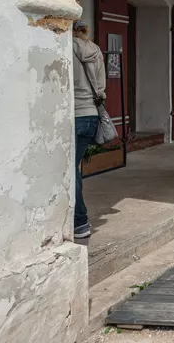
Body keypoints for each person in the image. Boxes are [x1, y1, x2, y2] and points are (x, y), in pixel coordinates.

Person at [72, 20, 106, 240]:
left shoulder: (66, 47)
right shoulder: (95, 50)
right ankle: (78, 220)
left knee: (68, 170)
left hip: (73, 113)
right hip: (91, 114)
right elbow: (101, 88)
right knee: (74, 168)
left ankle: (79, 221)